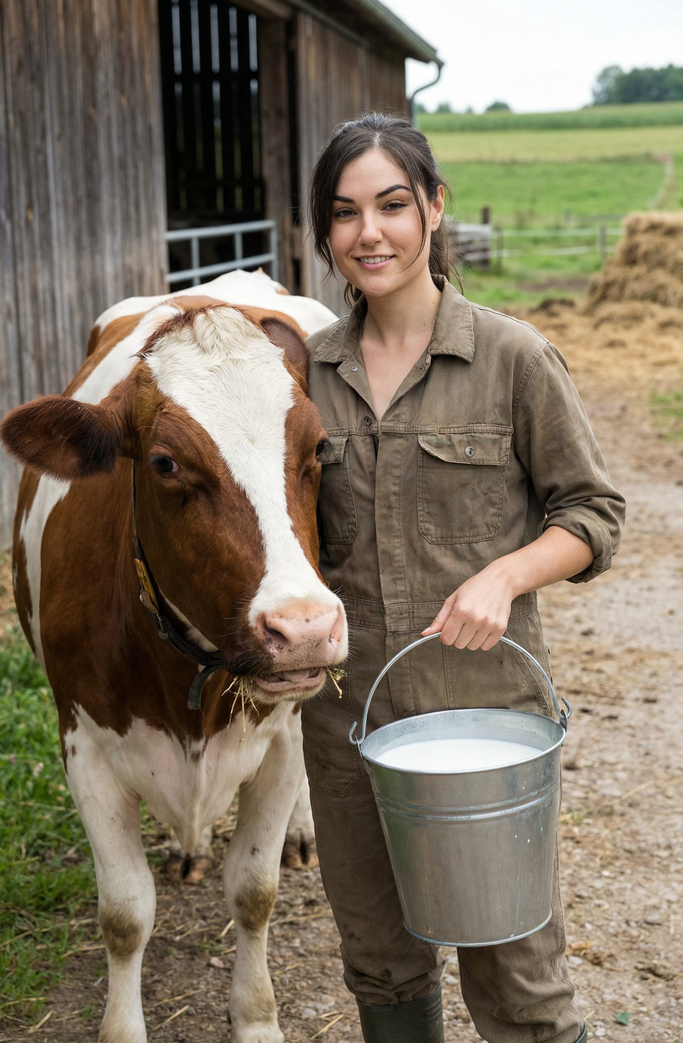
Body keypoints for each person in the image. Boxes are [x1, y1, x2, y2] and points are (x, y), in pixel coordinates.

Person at [300, 112, 625, 1043]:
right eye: (346, 212)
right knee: (381, 959)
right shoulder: (304, 377)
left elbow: (594, 515)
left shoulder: (512, 358)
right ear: (325, 234)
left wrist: (506, 575)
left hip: (483, 720)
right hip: (352, 721)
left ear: (434, 208)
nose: (371, 232)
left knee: (515, 969)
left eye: (393, 204)